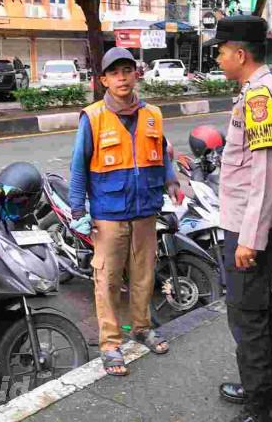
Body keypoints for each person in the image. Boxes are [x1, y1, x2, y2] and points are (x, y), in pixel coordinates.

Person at [68, 47, 183, 376]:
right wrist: (78, 207)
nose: (122, 77)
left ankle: (142, 328)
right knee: (107, 279)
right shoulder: (92, 117)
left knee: (144, 275)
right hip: (108, 213)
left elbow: (161, 153)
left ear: (136, 74)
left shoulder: (153, 115)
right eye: (114, 73)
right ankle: (110, 343)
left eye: (127, 71)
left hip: (146, 210)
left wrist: (172, 181)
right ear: (103, 79)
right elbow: (78, 167)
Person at [204, 15, 272, 422]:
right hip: (250, 219)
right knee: (258, 307)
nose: (218, 59)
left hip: (249, 226)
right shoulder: (253, 92)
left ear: (240, 54)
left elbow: (266, 172)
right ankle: (265, 390)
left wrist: (248, 240)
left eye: (221, 52)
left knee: (247, 314)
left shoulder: (261, 97)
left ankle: (259, 410)